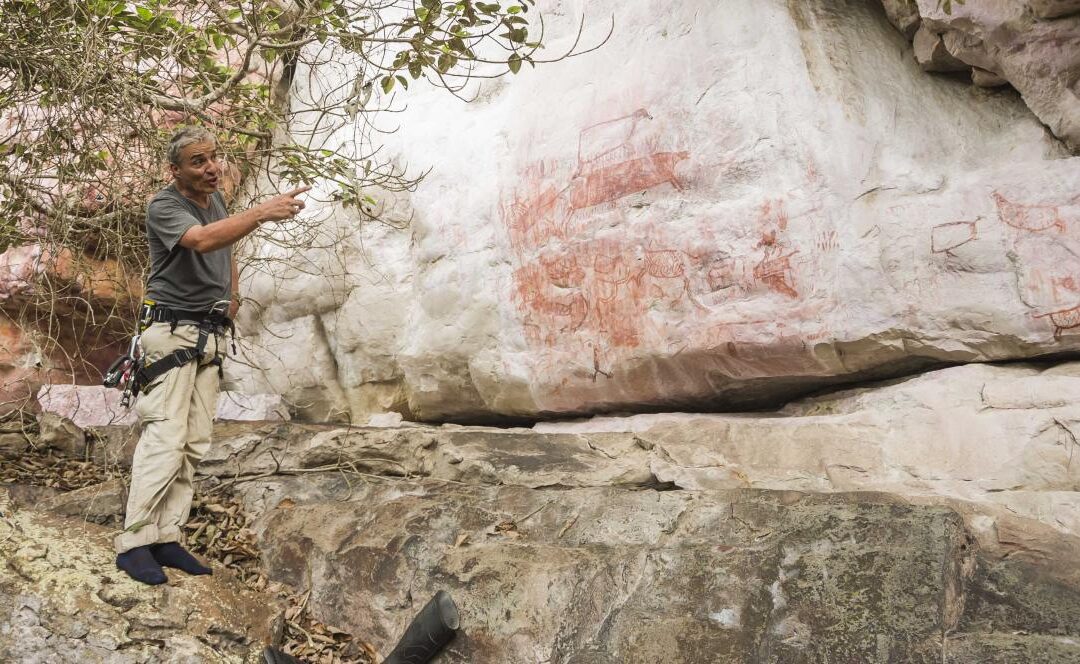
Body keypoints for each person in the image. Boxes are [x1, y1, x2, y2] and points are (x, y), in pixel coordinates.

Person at [115, 126, 310, 585]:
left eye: (215, 158)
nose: (211, 168)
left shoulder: (216, 199)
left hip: (209, 333)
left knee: (194, 440)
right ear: (175, 170)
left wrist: (232, 296)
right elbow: (202, 240)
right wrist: (262, 211)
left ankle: (166, 535)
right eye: (198, 161)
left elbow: (225, 246)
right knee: (164, 438)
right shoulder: (164, 205)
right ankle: (133, 543)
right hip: (173, 333)